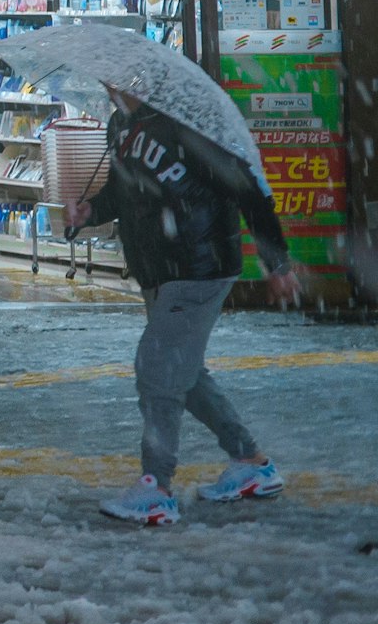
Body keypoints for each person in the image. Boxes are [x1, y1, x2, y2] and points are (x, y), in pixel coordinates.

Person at [65, 92, 301, 526]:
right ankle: (250, 460)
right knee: (184, 374)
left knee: (157, 368)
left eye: (118, 78)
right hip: (158, 270)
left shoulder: (188, 120)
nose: (111, 87)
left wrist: (277, 261)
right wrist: (90, 210)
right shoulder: (120, 126)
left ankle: (156, 488)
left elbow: (247, 187)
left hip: (198, 264)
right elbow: (122, 193)